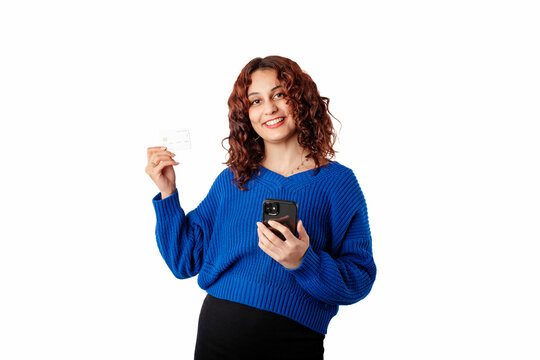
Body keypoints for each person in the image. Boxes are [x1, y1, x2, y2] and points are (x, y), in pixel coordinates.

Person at [145, 55, 376, 360]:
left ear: (301, 100)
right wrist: (167, 193)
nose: (269, 109)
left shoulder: (338, 183)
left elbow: (358, 277)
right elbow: (183, 261)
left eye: (279, 94)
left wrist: (302, 261)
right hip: (218, 336)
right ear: (246, 114)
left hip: (294, 341)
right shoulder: (233, 180)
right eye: (255, 101)